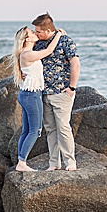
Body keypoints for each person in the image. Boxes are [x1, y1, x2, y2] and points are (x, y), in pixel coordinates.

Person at [10, 25, 64, 172]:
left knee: (27, 131)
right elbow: (48, 51)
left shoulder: (27, 53)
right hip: (32, 95)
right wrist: (58, 35)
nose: (35, 33)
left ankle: (21, 161)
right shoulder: (27, 54)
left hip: (28, 94)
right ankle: (22, 163)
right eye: (32, 32)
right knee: (35, 130)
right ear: (26, 39)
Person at [32, 12, 80, 171]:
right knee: (50, 129)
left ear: (47, 30)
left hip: (62, 92)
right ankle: (54, 163)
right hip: (44, 93)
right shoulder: (38, 44)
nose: (36, 33)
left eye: (38, 31)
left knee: (63, 128)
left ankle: (70, 162)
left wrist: (72, 87)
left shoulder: (65, 41)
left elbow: (75, 64)